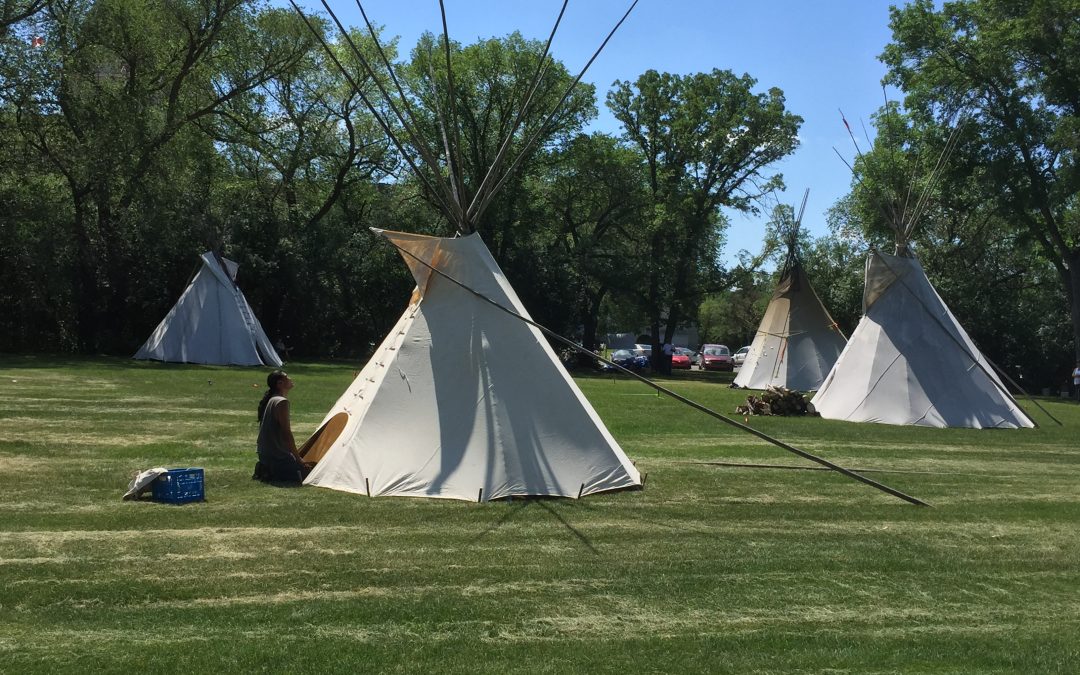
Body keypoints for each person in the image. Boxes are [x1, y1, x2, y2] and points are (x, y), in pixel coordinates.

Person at [253, 370, 311, 483]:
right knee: (309, 474)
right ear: (280, 383)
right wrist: (298, 459)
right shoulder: (281, 402)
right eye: (287, 377)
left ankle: (266, 469)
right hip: (276, 456)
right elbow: (286, 433)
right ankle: (272, 471)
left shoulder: (273, 399)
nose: (290, 378)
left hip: (265, 455)